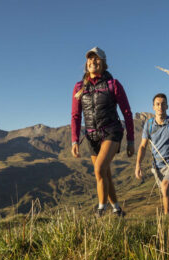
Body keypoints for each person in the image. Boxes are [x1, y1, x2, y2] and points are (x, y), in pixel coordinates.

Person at [71, 47, 135, 217]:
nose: (93, 61)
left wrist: (130, 140)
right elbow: (76, 116)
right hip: (92, 136)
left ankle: (101, 210)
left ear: (104, 63)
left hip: (111, 132)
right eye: (90, 59)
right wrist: (74, 140)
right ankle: (117, 210)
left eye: (97, 58)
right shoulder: (79, 87)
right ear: (86, 64)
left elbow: (127, 112)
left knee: (99, 169)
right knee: (105, 173)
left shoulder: (113, 84)